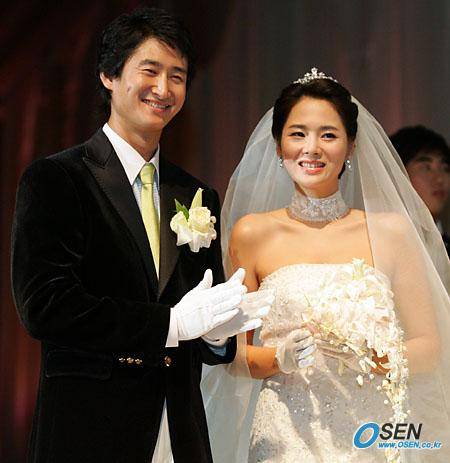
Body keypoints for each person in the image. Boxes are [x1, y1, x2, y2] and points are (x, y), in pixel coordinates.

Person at [11, 7, 271, 463]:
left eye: (178, 76)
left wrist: (216, 333)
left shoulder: (195, 195)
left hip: (179, 428)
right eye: (150, 71)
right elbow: (46, 306)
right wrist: (170, 325)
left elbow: (202, 318)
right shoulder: (58, 179)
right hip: (90, 427)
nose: (164, 89)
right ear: (109, 75)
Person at [202, 69, 450, 462]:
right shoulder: (252, 234)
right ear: (279, 145)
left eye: (328, 135)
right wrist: (278, 358)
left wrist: (379, 356)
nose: (312, 148)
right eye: (298, 134)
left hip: (374, 434)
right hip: (285, 437)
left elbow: (429, 347)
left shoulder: (391, 232)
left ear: (351, 146)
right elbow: (233, 354)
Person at [390, 125, 450, 254]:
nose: (439, 179)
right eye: (426, 168)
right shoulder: (382, 243)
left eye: (445, 168)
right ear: (399, 173)